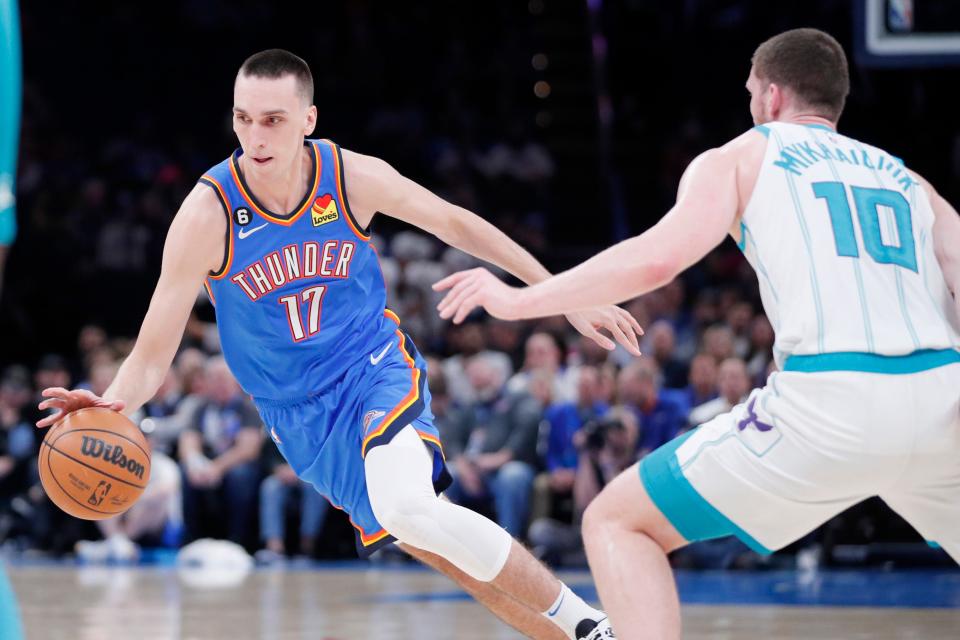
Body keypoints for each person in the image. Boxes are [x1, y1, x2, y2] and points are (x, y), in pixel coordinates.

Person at [37, 49, 645, 640]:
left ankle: (593, 627)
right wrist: (111, 403)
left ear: (308, 120)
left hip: (372, 367)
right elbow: (150, 355)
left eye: (273, 119)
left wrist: (565, 294)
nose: (256, 136)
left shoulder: (350, 177)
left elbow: (457, 223)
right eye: (243, 118)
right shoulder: (208, 214)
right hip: (298, 418)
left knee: (408, 506)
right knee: (439, 546)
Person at [434, 28, 960, 639]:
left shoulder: (745, 154)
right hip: (942, 396)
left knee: (617, 522)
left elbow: (657, 260)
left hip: (830, 395)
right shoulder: (911, 182)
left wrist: (522, 300)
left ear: (769, 95)